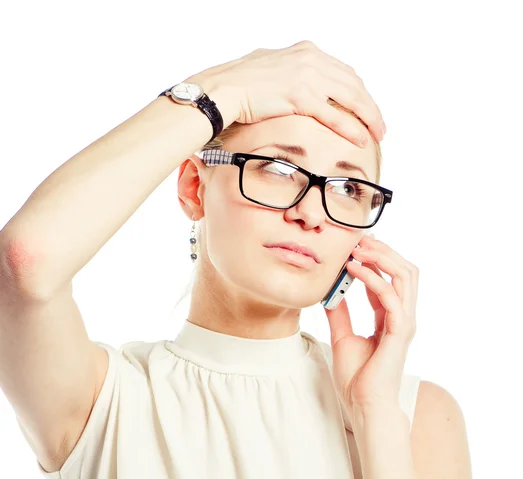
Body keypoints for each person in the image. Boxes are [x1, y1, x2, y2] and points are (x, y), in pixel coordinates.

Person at [0, 41, 472, 478]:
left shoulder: (416, 415)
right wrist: (220, 92)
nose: (310, 213)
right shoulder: (101, 403)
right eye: (279, 168)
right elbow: (25, 260)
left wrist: (376, 419)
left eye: (347, 188)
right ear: (194, 187)